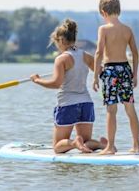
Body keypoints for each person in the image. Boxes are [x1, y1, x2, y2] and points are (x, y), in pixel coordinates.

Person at [30, 19, 107, 154]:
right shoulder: (85, 55)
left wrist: (37, 80)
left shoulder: (61, 59)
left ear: (60, 40)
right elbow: (101, 70)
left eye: (56, 42)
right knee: (86, 143)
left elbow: (56, 83)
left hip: (67, 104)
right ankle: (100, 144)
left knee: (57, 147)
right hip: (86, 103)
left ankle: (73, 142)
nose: (56, 46)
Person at [93, 0, 139, 155]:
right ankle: (136, 145)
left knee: (111, 110)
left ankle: (110, 146)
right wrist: (135, 75)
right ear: (118, 10)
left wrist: (95, 76)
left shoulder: (103, 29)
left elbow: (99, 52)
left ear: (103, 12)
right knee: (130, 108)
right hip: (125, 69)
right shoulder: (127, 29)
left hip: (110, 71)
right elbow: (135, 53)